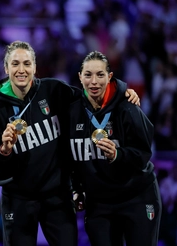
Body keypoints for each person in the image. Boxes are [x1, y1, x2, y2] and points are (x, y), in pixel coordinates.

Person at [0, 41, 139, 246]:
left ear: (35, 67)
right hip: (18, 199)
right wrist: (4, 150)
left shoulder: (52, 89)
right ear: (6, 68)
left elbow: (89, 94)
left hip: (57, 196)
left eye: (27, 64)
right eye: (15, 64)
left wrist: (121, 92)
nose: (21, 70)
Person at [69, 51, 161, 246]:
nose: (94, 81)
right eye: (88, 75)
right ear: (80, 77)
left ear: (110, 77)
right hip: (99, 203)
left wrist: (117, 155)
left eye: (100, 75)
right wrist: (76, 189)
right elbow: (70, 159)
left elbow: (143, 154)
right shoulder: (72, 111)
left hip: (136, 197)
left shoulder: (127, 107)